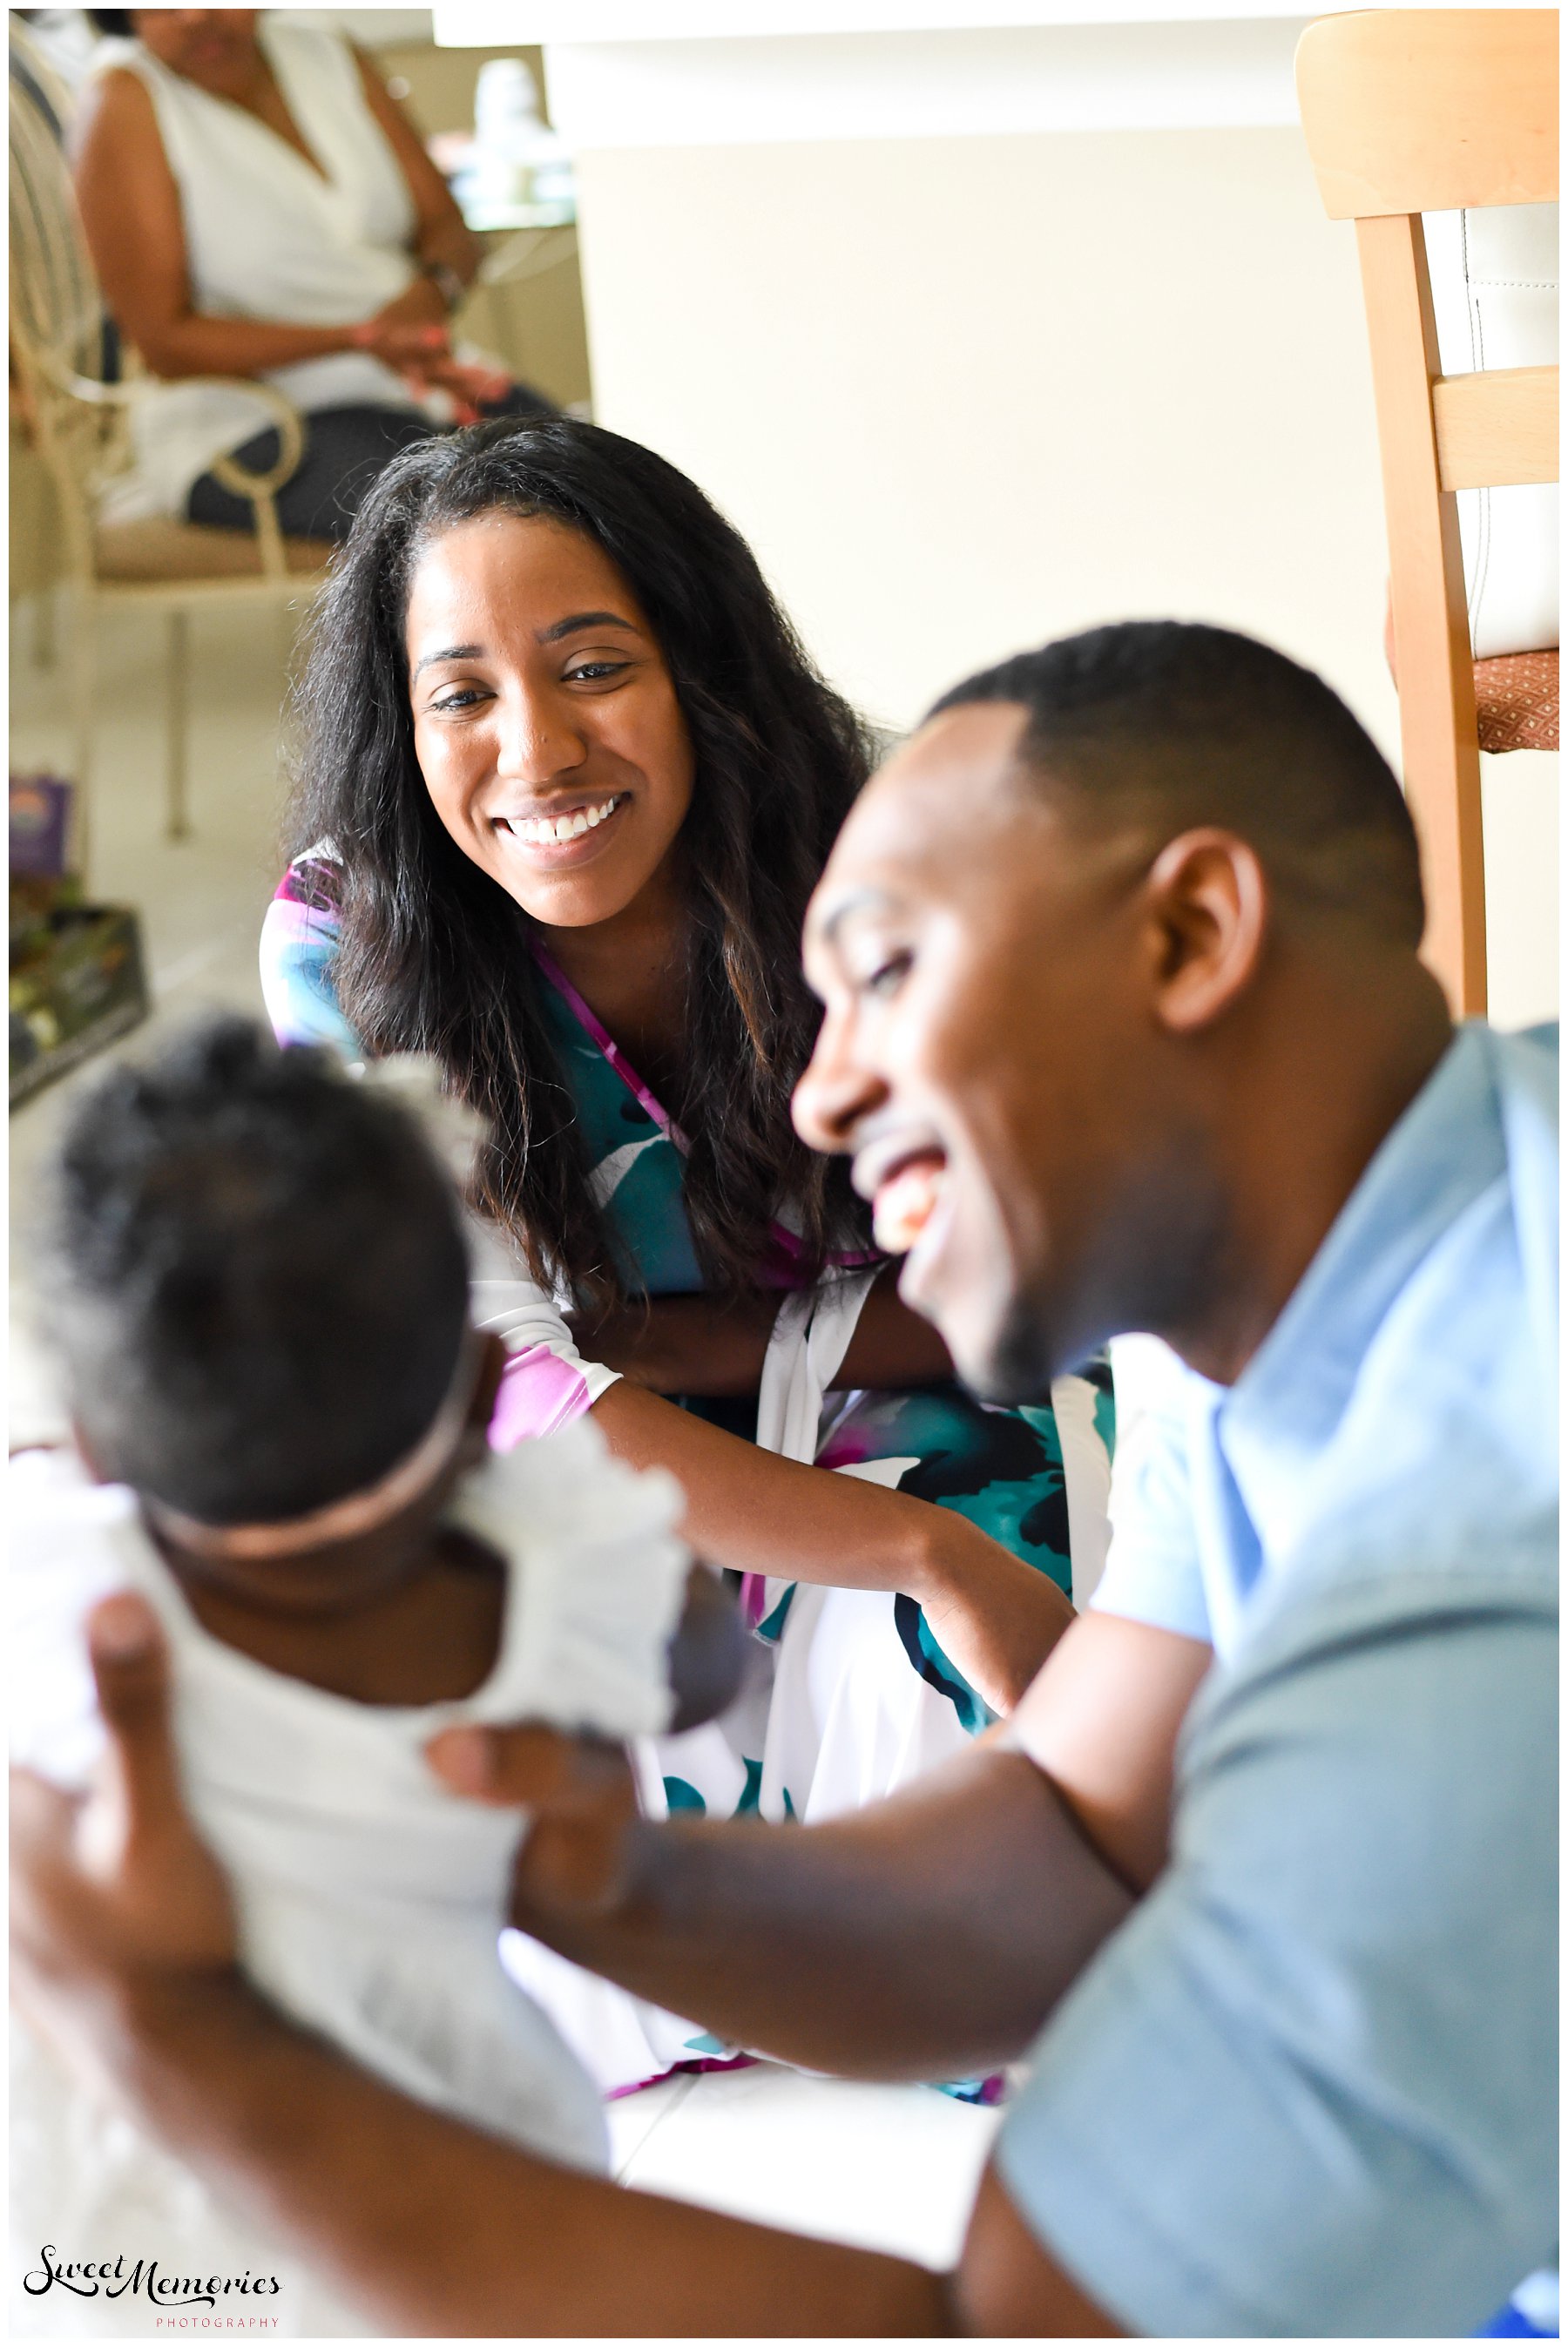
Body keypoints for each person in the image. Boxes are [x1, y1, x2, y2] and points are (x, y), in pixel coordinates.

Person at [13, 620, 1554, 2337]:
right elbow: (1082, 1843)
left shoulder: (1489, 1550)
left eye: (882, 973)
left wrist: (210, 2064)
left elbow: (1021, 2327)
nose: (819, 1097)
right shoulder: (1296, 1299)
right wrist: (581, 1872)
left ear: (1190, 933)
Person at [259, 413, 1106, 2087]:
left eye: (591, 666)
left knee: (1019, 1841)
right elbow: (505, 1401)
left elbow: (1048, 1271)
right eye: (463, 694)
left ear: (700, 666)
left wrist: (700, 1349)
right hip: (571, 1497)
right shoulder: (342, 949)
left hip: (926, 1427)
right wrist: (927, 1549)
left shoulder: (892, 864)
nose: (536, 752)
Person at [9, 1015, 743, 2337]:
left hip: (119, 2218)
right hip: (471, 2159)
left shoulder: (54, 1578)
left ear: (91, 1447)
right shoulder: (534, 1580)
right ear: (475, 1391)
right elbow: (699, 1656)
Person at [71, 10, 551, 543]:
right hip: (251, 427)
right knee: (471, 522)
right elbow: (166, 343)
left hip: (417, 382)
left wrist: (430, 295)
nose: (195, 15)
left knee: (601, 486)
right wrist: (362, 340)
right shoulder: (124, 101)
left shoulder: (327, 54)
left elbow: (449, 231)